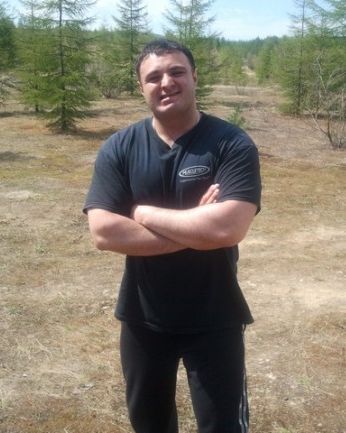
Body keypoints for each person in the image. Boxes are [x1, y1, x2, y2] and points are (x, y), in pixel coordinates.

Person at [83, 39, 262, 433]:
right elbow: (104, 231)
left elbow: (228, 228)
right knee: (149, 425)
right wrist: (197, 227)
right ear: (141, 87)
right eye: (153, 77)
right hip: (143, 318)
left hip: (215, 315)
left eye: (177, 71)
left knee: (224, 427)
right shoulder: (119, 148)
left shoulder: (231, 144)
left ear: (194, 77)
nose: (166, 82)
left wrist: (142, 213)